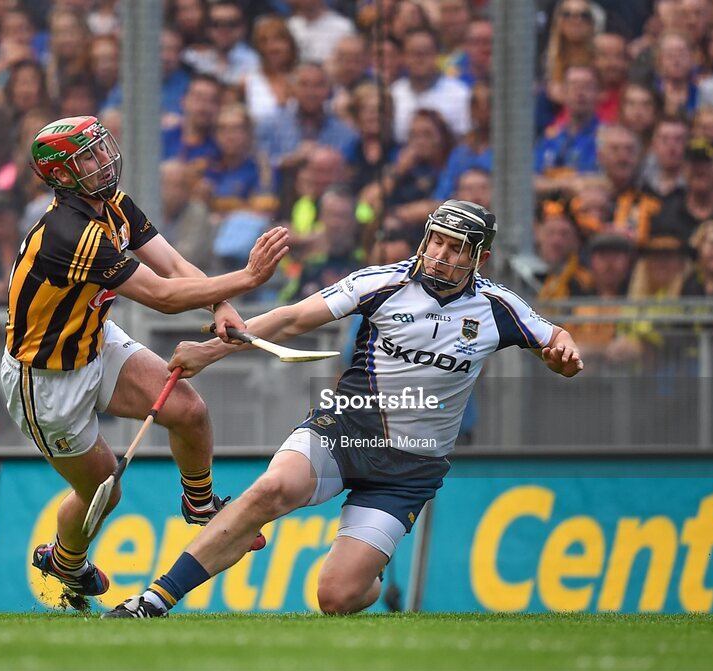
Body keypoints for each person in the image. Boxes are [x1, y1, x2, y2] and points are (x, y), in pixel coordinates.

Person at [103, 199, 584, 618]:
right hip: (345, 429)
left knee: (336, 596)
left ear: (480, 257)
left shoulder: (499, 307)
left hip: (410, 466)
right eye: (436, 240)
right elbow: (292, 318)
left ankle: (367, 571)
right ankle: (154, 599)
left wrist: (564, 356)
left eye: (455, 247)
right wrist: (211, 351)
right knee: (271, 489)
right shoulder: (383, 282)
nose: (439, 254)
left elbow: (554, 339)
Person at [1, 115, 288, 599]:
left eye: (100, 148)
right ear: (61, 176)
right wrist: (248, 279)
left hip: (95, 339)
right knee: (104, 492)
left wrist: (220, 304)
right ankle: (65, 561)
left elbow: (174, 265)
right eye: (86, 158)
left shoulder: (112, 205)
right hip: (46, 380)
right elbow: (161, 295)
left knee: (188, 410)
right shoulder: (69, 233)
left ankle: (200, 507)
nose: (102, 160)